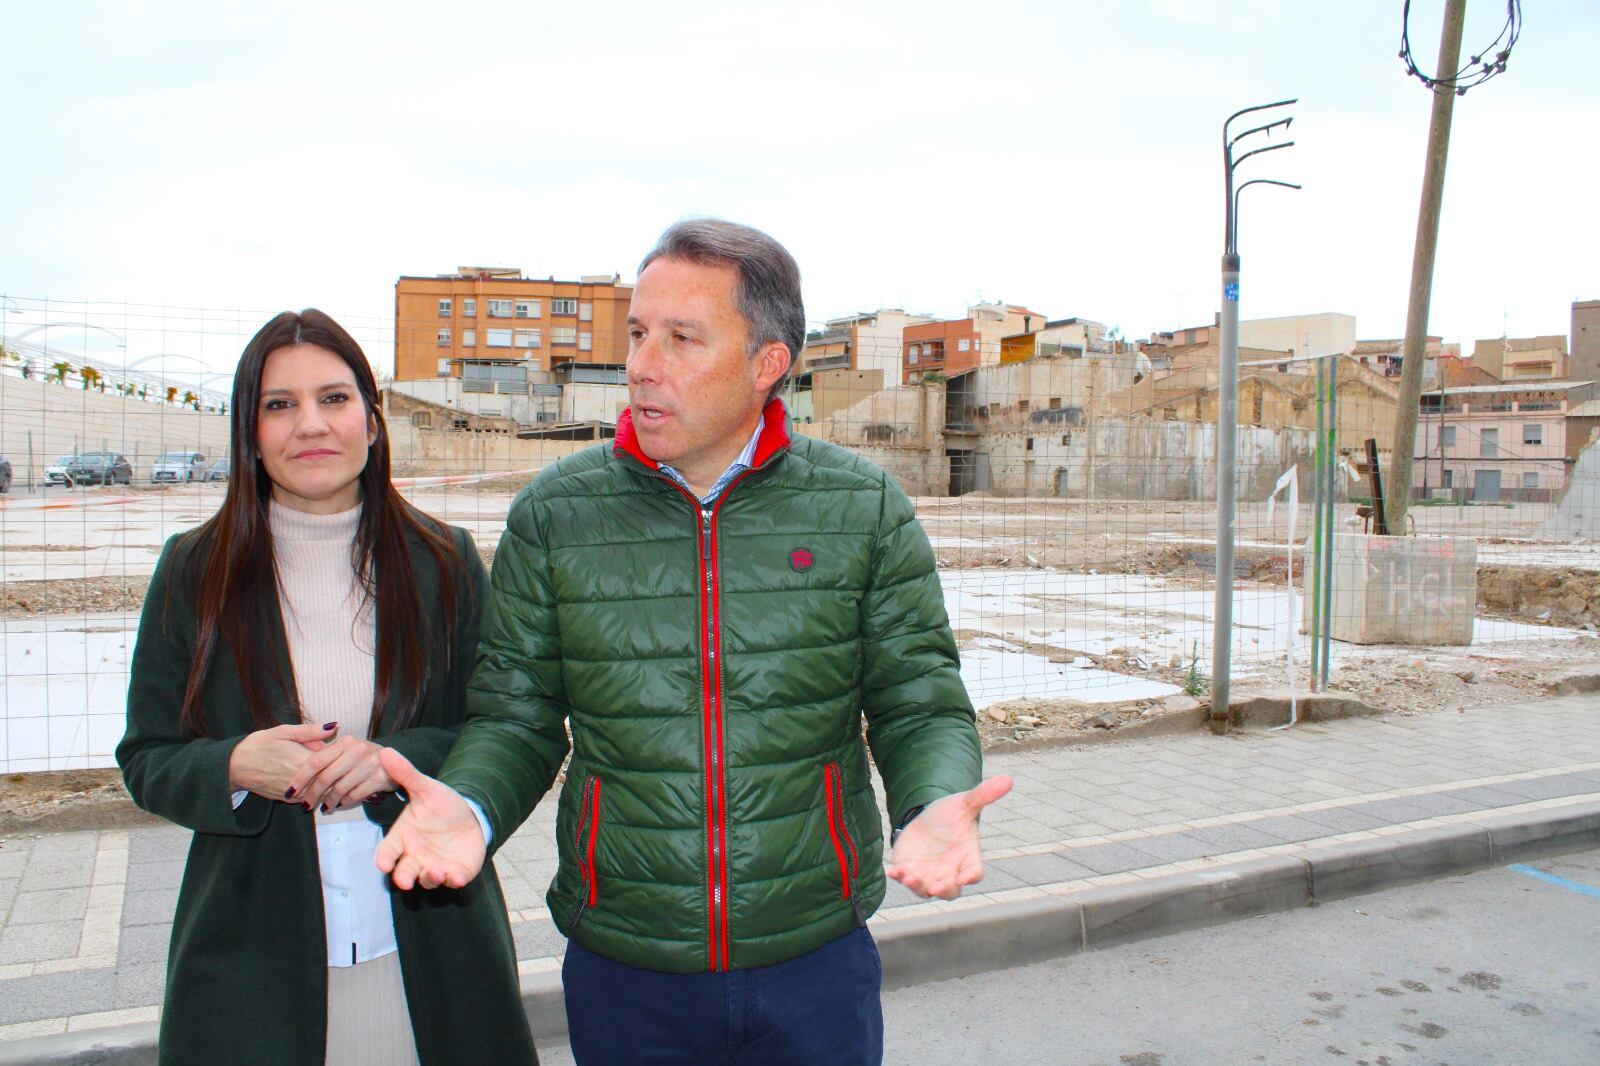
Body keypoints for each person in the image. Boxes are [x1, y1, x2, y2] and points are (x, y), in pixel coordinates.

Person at [376, 219, 1012, 1065]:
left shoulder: (861, 508)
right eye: (638, 333)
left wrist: (933, 798)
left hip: (814, 956)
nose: (642, 363)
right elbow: (517, 717)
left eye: (681, 338)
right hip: (625, 963)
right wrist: (474, 803)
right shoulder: (557, 515)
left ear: (767, 365)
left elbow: (916, 697)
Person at [117, 309, 537, 1066]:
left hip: (429, 950)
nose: (309, 424)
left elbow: (498, 730)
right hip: (254, 968)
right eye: (279, 405)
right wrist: (236, 766)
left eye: (334, 399)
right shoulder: (194, 570)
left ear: (373, 424)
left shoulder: (444, 561)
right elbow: (146, 757)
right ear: (250, 431)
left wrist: (392, 761)